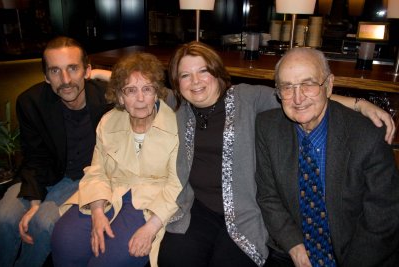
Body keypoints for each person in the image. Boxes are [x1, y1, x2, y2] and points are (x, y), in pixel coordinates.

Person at [155, 41, 397, 267]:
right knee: (172, 258)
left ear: (217, 71)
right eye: (185, 75)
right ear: (177, 82)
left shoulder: (247, 98)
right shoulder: (178, 107)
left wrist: (359, 103)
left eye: (203, 71)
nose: (195, 81)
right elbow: (142, 94)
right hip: (199, 208)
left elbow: (300, 96)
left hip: (244, 212)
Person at [255, 47, 399, 267]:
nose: (297, 97)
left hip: (358, 254)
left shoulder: (367, 136)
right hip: (292, 250)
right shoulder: (267, 127)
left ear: (329, 85)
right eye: (287, 87)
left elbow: (383, 219)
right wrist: (293, 245)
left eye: (308, 84)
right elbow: (268, 197)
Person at [51, 52, 182, 267]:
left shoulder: (176, 126)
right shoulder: (108, 121)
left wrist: (151, 228)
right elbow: (97, 170)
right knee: (65, 240)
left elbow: (177, 184)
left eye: (147, 89)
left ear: (157, 92)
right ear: (120, 97)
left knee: (108, 260)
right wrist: (97, 211)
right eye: (130, 90)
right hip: (109, 191)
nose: (140, 98)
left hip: (150, 202)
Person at [0, 36, 112, 267]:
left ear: (86, 70)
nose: (66, 80)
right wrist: (34, 201)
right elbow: (35, 157)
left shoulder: (106, 98)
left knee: (42, 223)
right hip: (42, 173)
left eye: (73, 68)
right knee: (4, 219)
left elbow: (158, 92)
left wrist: (104, 74)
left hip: (82, 179)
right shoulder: (31, 102)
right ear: (46, 77)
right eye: (55, 71)